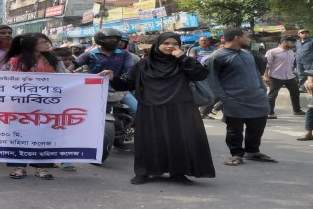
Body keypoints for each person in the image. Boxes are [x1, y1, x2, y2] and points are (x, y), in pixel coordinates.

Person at [109, 32, 215, 185]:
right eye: (166, 43)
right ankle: (144, 172)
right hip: (150, 109)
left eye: (174, 44)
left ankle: (178, 172)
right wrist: (113, 78)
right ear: (157, 45)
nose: (170, 46)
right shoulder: (143, 64)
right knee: (150, 141)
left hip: (180, 109)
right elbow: (127, 84)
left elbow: (201, 74)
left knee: (179, 141)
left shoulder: (183, 62)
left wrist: (183, 58)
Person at [1, 33, 70, 180]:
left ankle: (42, 167)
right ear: (32, 45)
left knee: (45, 136)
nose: (47, 44)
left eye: (46, 41)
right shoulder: (14, 62)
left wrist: (97, 77)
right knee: (18, 136)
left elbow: (68, 78)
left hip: (47, 107)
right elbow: (3, 81)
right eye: (43, 42)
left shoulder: (54, 61)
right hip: (19, 107)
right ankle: (19, 166)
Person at [204, 27, 276, 166]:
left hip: (257, 98)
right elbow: (212, 80)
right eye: (247, 36)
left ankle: (253, 151)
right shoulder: (216, 57)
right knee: (235, 130)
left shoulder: (247, 54)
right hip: (234, 99)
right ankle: (236, 154)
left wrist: (262, 89)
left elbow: (255, 73)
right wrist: (224, 98)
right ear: (237, 38)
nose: (249, 39)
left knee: (257, 125)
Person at [75, 28, 137, 118]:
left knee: (136, 110)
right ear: (99, 39)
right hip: (94, 88)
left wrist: (127, 78)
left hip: (119, 87)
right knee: (83, 111)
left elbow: (130, 68)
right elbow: (74, 64)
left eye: (114, 38)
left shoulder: (124, 53)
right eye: (108, 38)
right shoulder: (90, 54)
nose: (112, 40)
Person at [263, 36, 303, 119]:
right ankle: (269, 113)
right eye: (291, 43)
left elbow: (292, 64)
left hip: (290, 77)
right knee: (272, 95)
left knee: (295, 92)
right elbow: (267, 65)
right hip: (276, 76)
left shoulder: (291, 52)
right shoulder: (272, 52)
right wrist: (266, 75)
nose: (293, 44)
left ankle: (297, 110)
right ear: (285, 42)